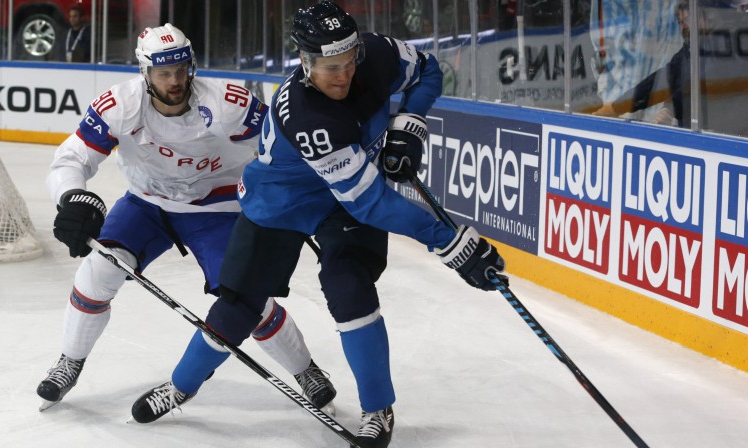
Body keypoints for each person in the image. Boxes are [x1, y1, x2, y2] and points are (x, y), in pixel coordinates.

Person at [131, 3, 506, 447]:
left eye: (349, 64)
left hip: (344, 199)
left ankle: (377, 407)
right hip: (282, 200)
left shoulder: (377, 53)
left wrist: (410, 123)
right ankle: (180, 387)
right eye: (331, 68)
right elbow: (371, 204)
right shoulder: (310, 118)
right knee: (237, 306)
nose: (344, 76)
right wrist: (450, 243)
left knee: (350, 288)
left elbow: (427, 71)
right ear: (305, 62)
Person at [36, 23, 336, 417]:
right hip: (146, 205)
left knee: (248, 300)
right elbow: (71, 159)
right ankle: (70, 361)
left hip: (217, 206)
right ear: (144, 72)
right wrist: (73, 197)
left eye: (181, 69)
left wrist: (293, 199)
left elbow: (280, 147)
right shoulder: (118, 105)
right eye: (163, 73)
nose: (175, 80)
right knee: (98, 272)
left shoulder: (229, 102)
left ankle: (305, 369)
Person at [593, 0, 706, 127]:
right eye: (680, 22)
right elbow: (661, 79)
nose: (683, 27)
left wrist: (670, 107)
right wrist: (616, 107)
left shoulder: (717, 49)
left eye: (686, 19)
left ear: (702, 18)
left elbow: (699, 82)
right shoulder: (689, 50)